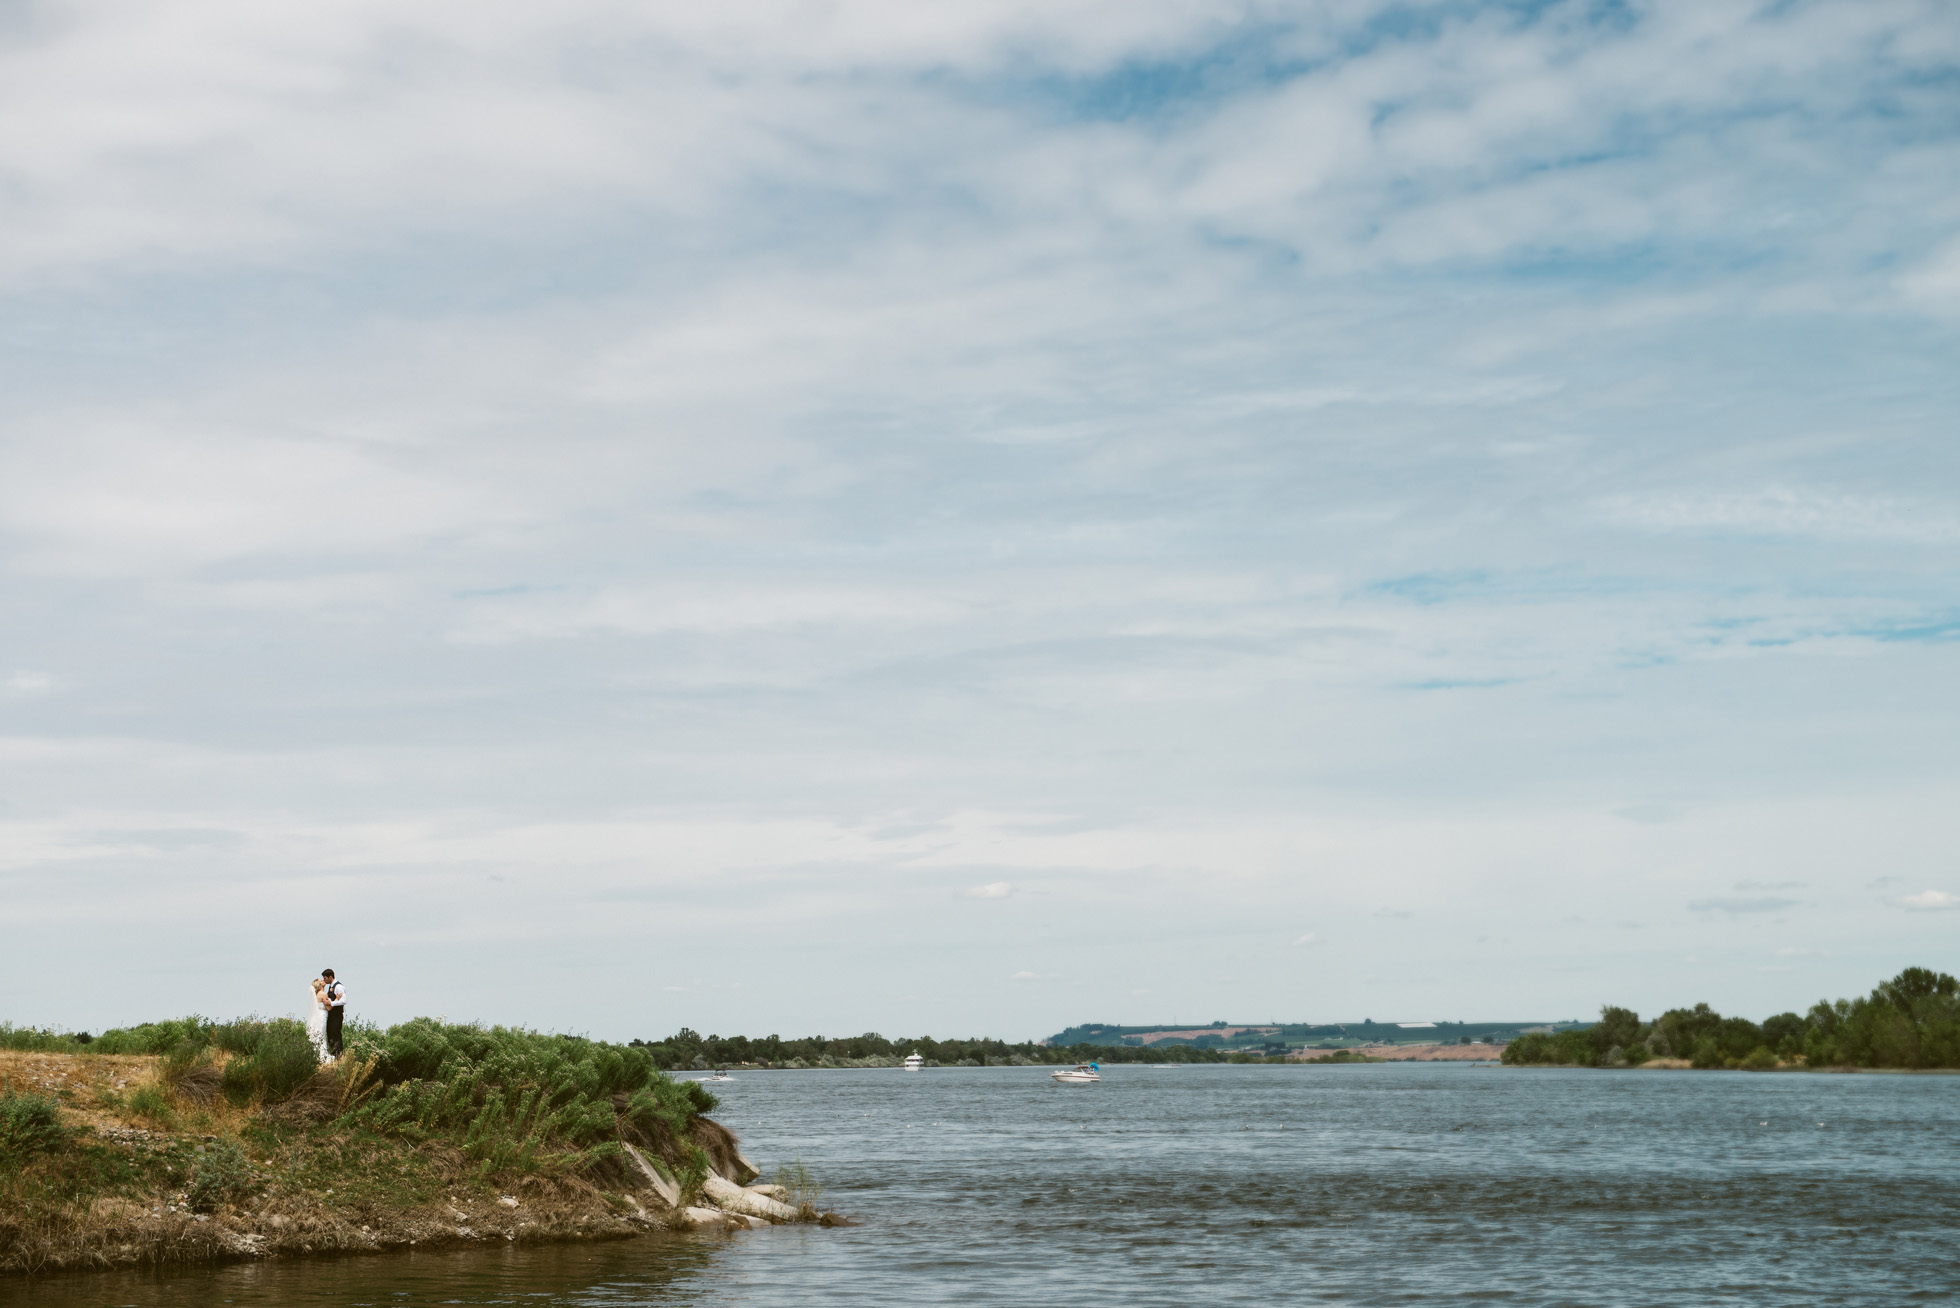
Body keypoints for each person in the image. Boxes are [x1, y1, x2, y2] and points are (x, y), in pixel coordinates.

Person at [322, 968, 346, 1059]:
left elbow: (344, 1001)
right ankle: (333, 1054)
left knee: (335, 1034)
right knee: (330, 1034)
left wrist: (331, 1003)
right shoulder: (331, 986)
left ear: (330, 977)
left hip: (337, 1015)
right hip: (331, 1015)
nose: (324, 980)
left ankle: (338, 1055)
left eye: (325, 978)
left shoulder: (339, 987)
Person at [305, 976, 330, 1063]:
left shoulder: (316, 994)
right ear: (320, 985)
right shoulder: (323, 994)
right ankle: (322, 1057)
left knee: (319, 1034)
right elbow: (329, 1008)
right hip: (322, 1015)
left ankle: (317, 1055)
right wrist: (337, 999)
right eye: (321, 981)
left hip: (318, 1015)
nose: (323, 981)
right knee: (322, 1035)